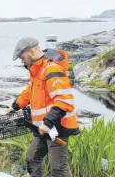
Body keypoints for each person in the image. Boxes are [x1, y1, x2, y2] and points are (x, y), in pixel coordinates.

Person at [9, 37, 79, 177]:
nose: (22, 61)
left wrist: (48, 123)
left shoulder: (52, 69)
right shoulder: (37, 71)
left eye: (22, 57)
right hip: (42, 127)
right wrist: (15, 106)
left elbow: (64, 100)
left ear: (30, 52)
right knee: (32, 158)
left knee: (59, 168)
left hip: (57, 127)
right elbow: (30, 92)